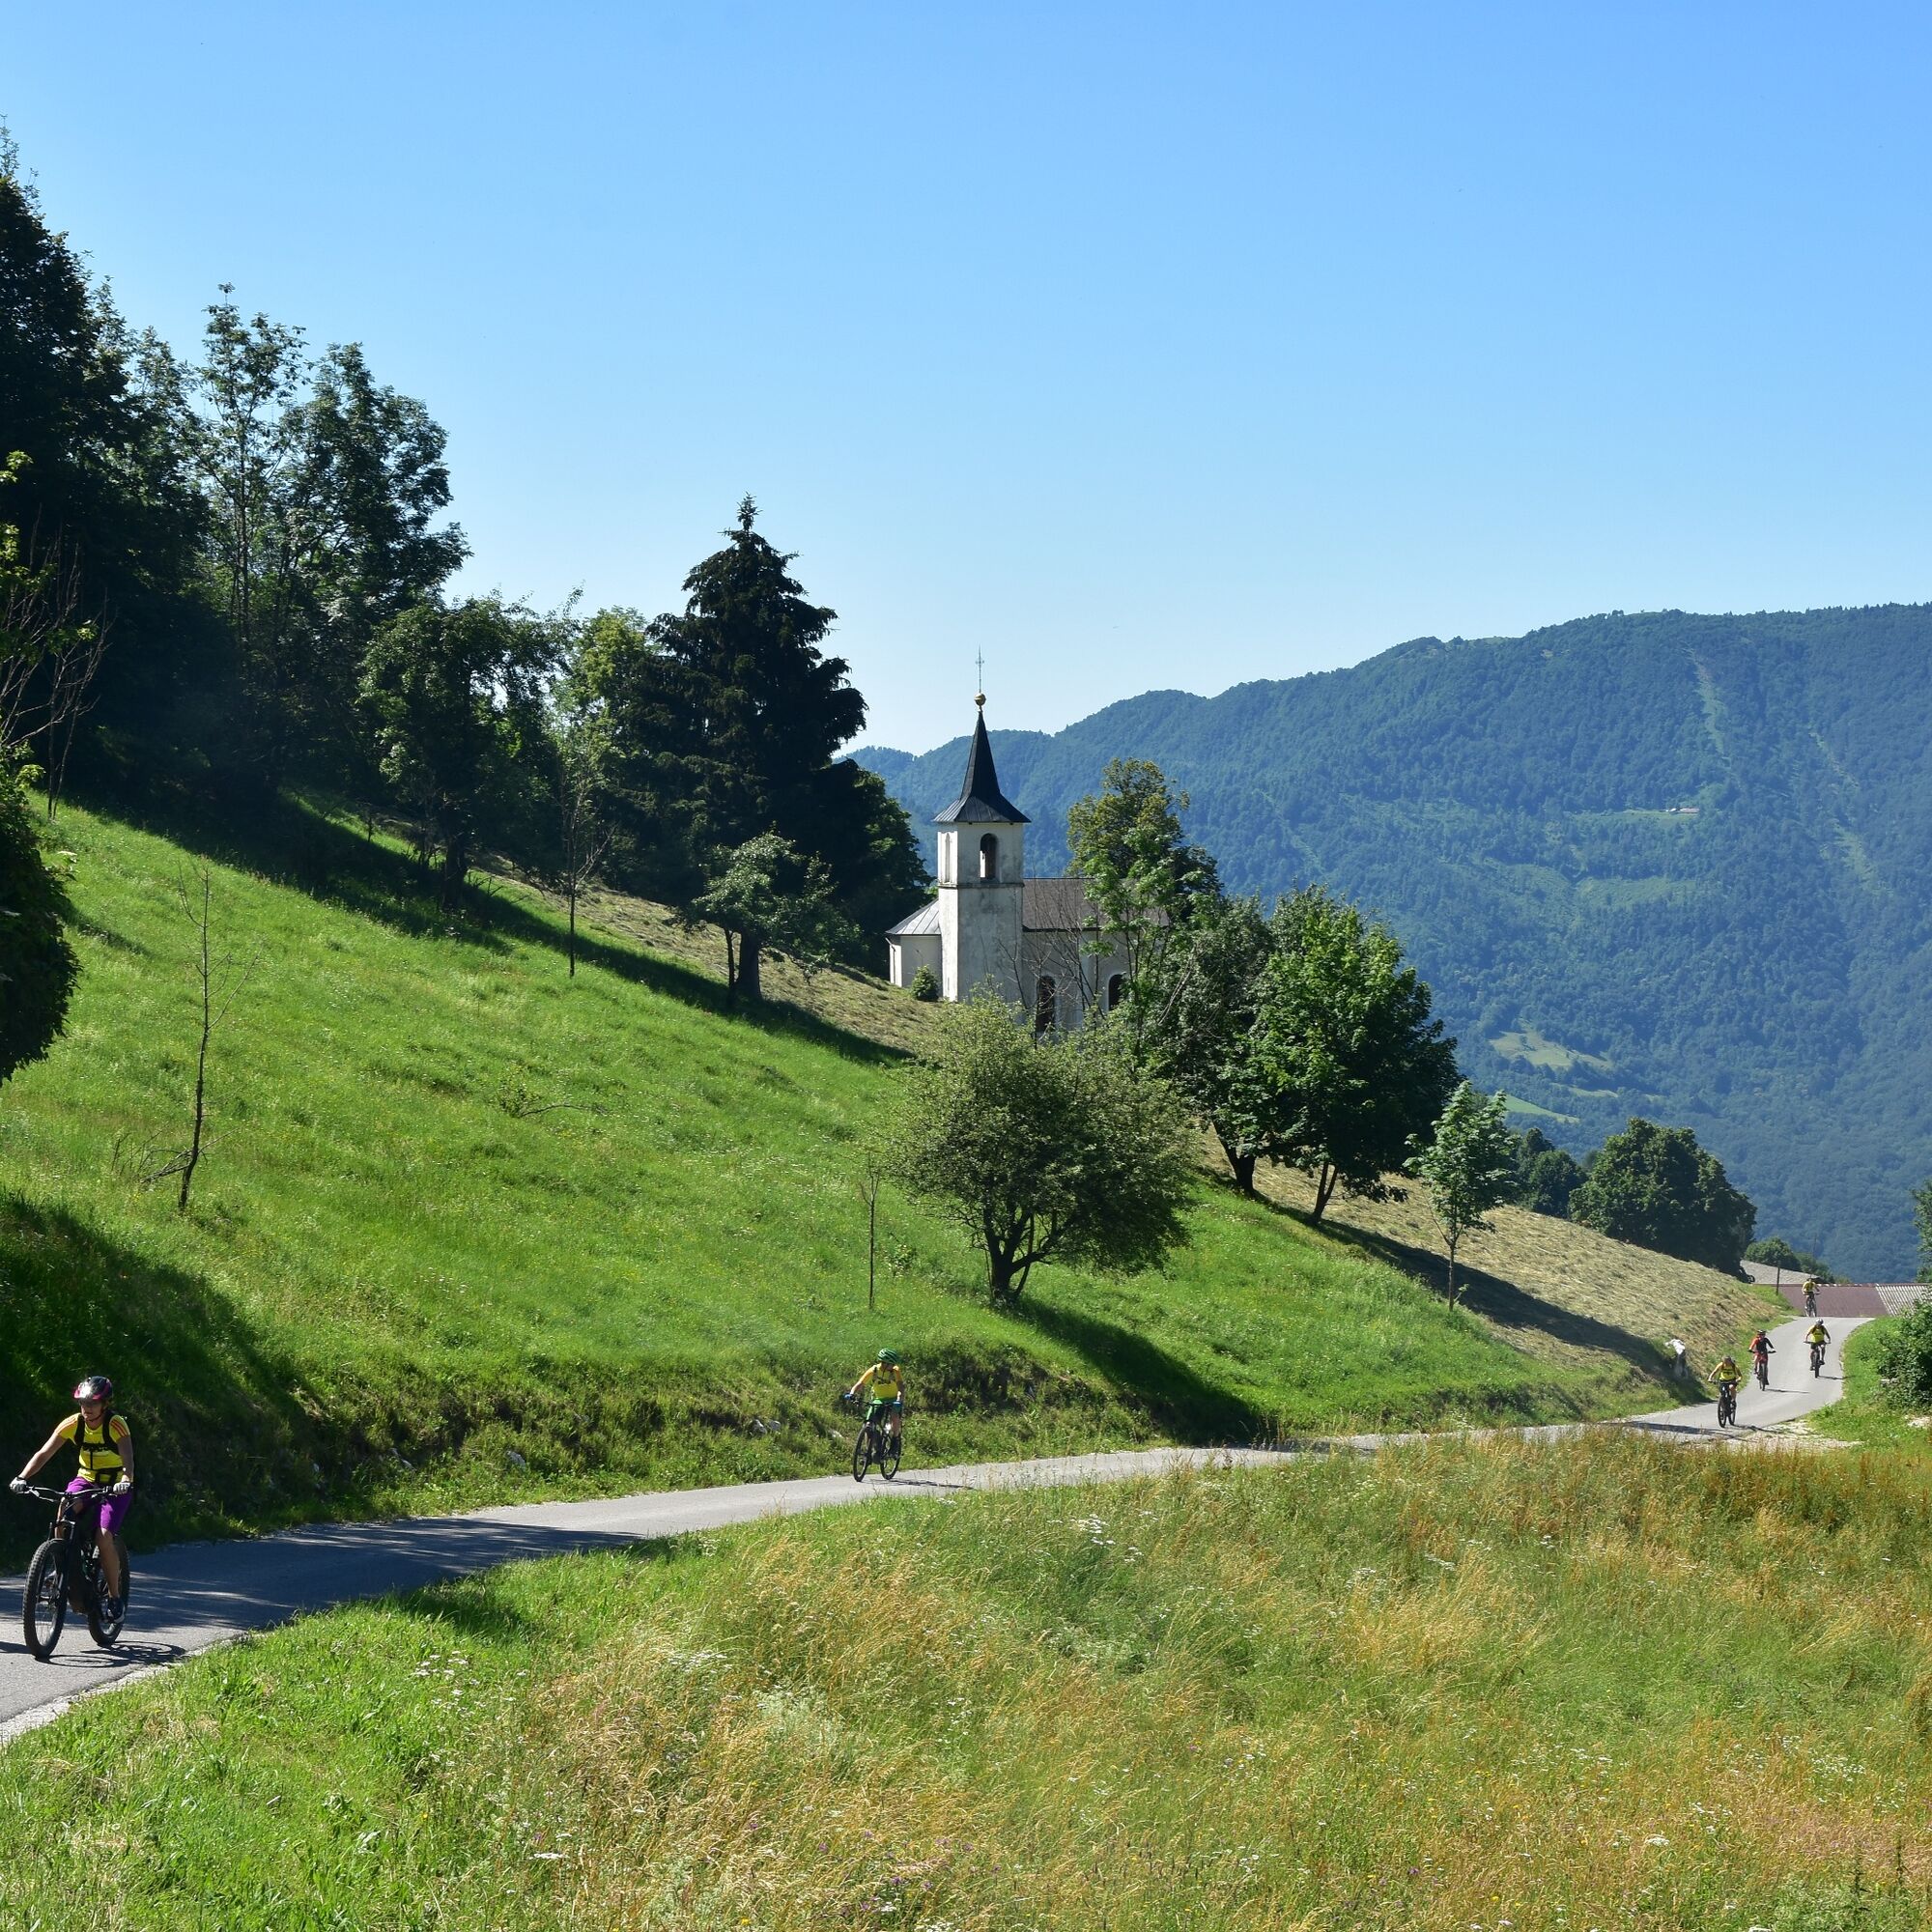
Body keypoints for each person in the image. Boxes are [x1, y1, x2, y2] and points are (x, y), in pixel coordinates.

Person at [11, 1375, 133, 1618]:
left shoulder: (116, 1424)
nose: (86, 1408)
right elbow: (44, 1453)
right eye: (83, 1403)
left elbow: (128, 1461)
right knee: (64, 1507)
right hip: (86, 1479)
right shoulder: (73, 1423)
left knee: (103, 1537)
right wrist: (22, 1477)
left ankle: (114, 1597)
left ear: (105, 1404)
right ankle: (61, 1564)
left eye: (92, 1403)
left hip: (115, 1484)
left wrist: (125, 1481)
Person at [846, 1349, 905, 1452]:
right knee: (868, 1424)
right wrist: (852, 1393)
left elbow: (900, 1387)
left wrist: (899, 1399)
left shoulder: (895, 1371)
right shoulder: (874, 1370)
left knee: (894, 1416)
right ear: (885, 1363)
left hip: (894, 1400)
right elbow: (860, 1383)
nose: (893, 1366)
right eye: (891, 1364)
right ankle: (869, 1451)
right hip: (879, 1400)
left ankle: (895, 1440)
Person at [1712, 1353, 1743, 1424]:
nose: (1726, 1363)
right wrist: (1710, 1378)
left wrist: (1738, 1379)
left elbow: (1740, 1375)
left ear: (1730, 1361)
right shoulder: (1721, 1365)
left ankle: (1733, 1400)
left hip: (1732, 1381)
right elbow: (1714, 1372)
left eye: (1727, 1361)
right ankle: (1723, 1409)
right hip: (1723, 1381)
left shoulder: (1734, 1366)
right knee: (1721, 1395)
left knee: (1731, 1387)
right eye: (1724, 1361)